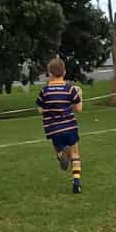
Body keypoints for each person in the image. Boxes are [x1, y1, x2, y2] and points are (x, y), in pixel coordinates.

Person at [36, 58, 84, 194]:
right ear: (64, 72)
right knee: (75, 153)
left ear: (49, 74)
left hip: (54, 129)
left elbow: (40, 109)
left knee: (60, 149)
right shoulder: (70, 89)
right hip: (70, 127)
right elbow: (79, 109)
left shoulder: (45, 91)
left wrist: (49, 108)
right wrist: (80, 96)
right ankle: (76, 182)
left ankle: (60, 154)